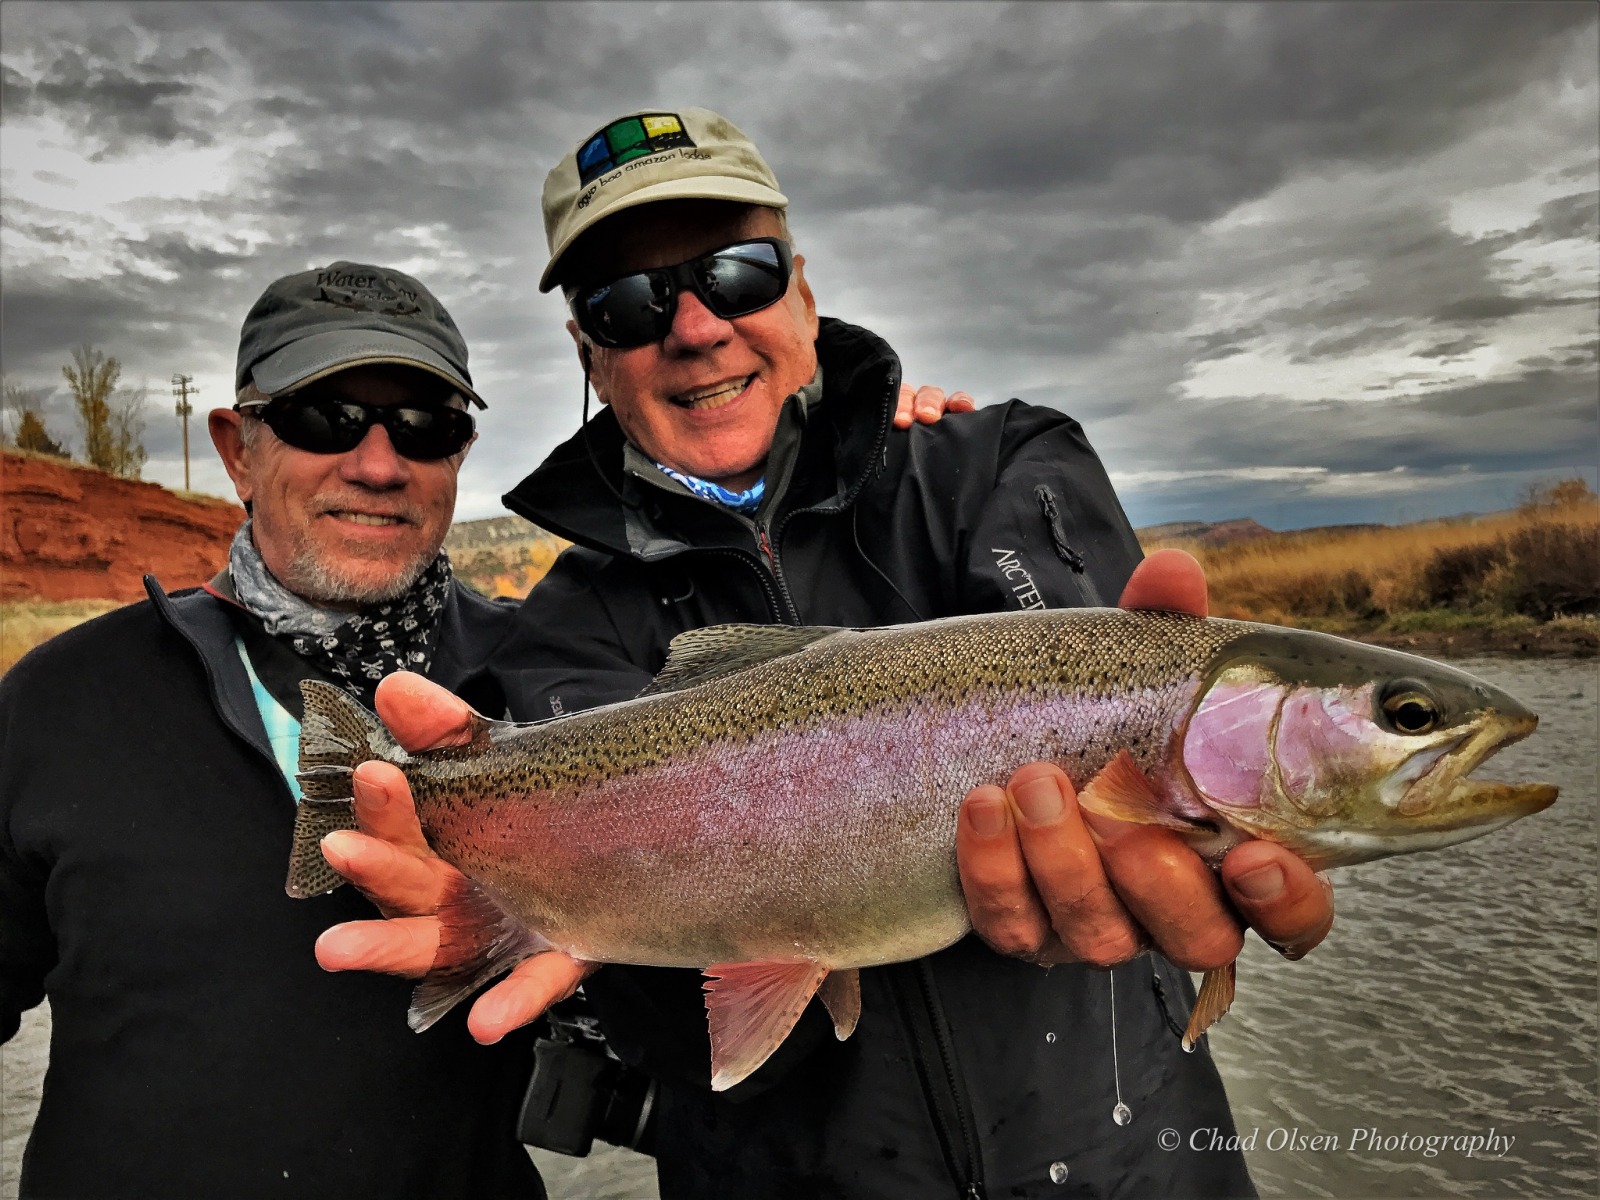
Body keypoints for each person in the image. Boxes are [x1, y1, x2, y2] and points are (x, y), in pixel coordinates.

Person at [320, 109, 1337, 1198]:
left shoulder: (995, 463)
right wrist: (505, 896)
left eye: (737, 272)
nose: (697, 326)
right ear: (588, 354)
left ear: (802, 291)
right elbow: (650, 985)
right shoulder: (564, 625)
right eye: (628, 303)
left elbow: (1089, 671)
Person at [0, 262, 549, 1199]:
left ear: (459, 454)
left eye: (425, 424)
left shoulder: (548, 680)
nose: (378, 463)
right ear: (235, 447)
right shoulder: (61, 698)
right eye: (323, 416)